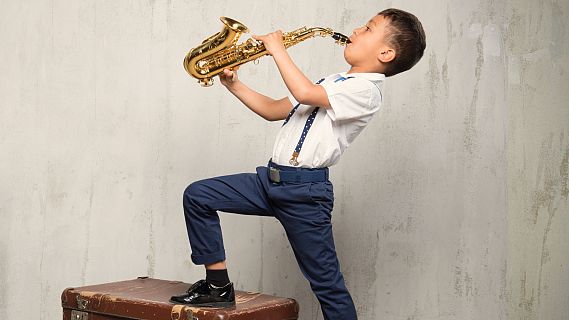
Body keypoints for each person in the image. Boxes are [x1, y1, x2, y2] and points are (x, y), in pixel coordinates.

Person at [170, 8, 426, 320]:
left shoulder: (367, 91)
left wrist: (277, 49)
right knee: (198, 195)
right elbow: (273, 109)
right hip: (270, 182)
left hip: (305, 193)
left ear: (386, 53)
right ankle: (218, 288)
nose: (357, 30)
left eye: (369, 29)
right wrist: (233, 85)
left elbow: (303, 91)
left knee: (327, 285)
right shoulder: (335, 80)